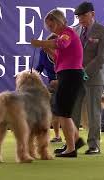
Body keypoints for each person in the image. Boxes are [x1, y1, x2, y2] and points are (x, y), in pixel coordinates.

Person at [31, 9, 85, 157]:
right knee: (62, 111)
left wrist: (41, 42)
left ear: (58, 21)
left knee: (63, 113)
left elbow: (61, 44)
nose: (50, 29)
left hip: (70, 75)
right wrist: (47, 49)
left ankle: (71, 148)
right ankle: (74, 142)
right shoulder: (64, 34)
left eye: (51, 25)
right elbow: (58, 58)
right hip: (67, 74)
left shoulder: (68, 33)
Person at [72, 1, 104, 155]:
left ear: (92, 14)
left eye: (83, 15)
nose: (80, 19)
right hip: (75, 78)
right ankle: (72, 143)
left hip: (94, 78)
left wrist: (84, 72)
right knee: (73, 112)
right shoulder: (74, 30)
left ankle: (94, 145)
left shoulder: (103, 31)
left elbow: (101, 57)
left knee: (94, 113)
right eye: (78, 16)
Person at [35, 33, 62, 143]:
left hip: (66, 84)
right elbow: (39, 68)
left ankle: (72, 137)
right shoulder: (43, 53)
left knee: (64, 112)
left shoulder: (63, 53)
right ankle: (57, 136)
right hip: (52, 86)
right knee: (53, 110)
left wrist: (59, 81)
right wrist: (30, 75)